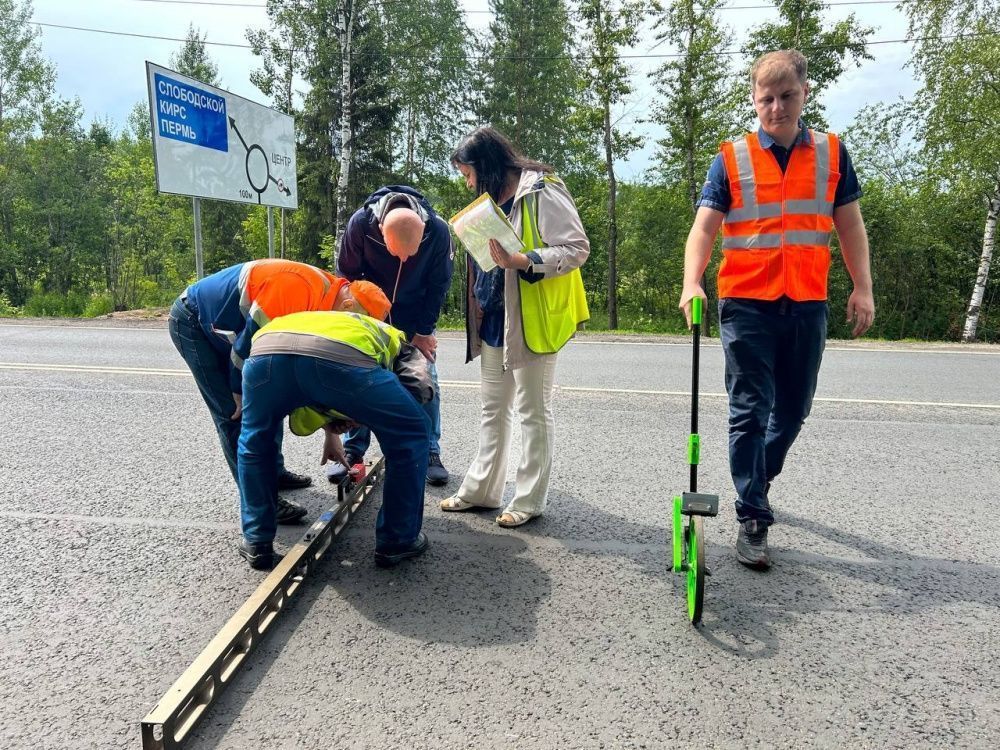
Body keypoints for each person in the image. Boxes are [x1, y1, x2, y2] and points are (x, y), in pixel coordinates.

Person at [679, 49, 875, 569]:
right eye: (766, 98)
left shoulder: (832, 154)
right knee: (749, 409)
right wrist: (691, 281)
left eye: (786, 96)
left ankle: (758, 477)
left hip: (807, 302)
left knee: (792, 410)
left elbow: (850, 225)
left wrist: (863, 287)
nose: (776, 107)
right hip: (746, 303)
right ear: (754, 99)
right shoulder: (732, 156)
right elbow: (704, 227)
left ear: (804, 94)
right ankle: (753, 516)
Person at [439, 126, 590, 528]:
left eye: (468, 173)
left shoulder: (543, 190)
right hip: (494, 316)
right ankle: (482, 490)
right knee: (493, 408)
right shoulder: (489, 200)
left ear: (486, 165)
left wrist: (523, 260)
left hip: (532, 319)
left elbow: (577, 249)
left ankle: (528, 500)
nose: (467, 182)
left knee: (533, 410)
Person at [168, 258, 391, 523]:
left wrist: (331, 432)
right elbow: (248, 348)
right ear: (348, 306)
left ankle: (274, 472)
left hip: (231, 329)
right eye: (356, 324)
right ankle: (263, 505)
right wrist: (238, 392)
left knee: (269, 399)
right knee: (235, 416)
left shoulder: (328, 303)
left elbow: (298, 377)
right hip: (194, 321)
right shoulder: (297, 289)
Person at [236, 310, 434, 570]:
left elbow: (306, 383)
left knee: (255, 442)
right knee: (413, 433)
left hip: (265, 354)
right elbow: (415, 392)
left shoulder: (324, 319)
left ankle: (256, 541)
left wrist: (336, 421)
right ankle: (398, 539)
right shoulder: (398, 342)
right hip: (340, 360)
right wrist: (367, 415)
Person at [329, 186, 455, 487]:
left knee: (425, 378)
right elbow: (345, 277)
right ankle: (353, 449)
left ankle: (428, 451)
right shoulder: (360, 225)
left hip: (415, 315)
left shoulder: (437, 231)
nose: (402, 261)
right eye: (396, 253)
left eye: (409, 255)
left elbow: (439, 285)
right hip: (368, 313)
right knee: (357, 378)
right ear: (382, 233)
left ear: (422, 232)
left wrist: (423, 332)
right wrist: (353, 321)